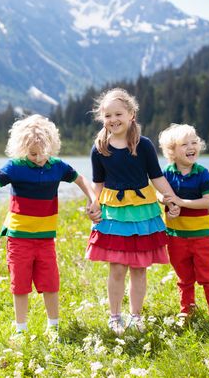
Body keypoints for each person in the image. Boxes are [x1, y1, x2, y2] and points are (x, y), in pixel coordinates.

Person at [0, 114, 97, 339]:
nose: (39, 158)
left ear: (51, 147)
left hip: (45, 238)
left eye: (43, 153)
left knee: (50, 283)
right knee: (20, 284)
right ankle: (20, 331)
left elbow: (81, 180)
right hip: (19, 238)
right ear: (22, 149)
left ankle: (53, 328)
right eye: (33, 154)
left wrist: (93, 198)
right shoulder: (15, 167)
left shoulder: (57, 166)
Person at [85, 88, 178, 335]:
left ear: (131, 115)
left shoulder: (143, 145)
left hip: (142, 211)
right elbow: (98, 184)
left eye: (118, 114)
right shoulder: (99, 148)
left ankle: (136, 316)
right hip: (114, 213)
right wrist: (94, 204)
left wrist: (171, 199)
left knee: (139, 268)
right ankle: (114, 317)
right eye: (107, 116)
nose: (113, 120)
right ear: (102, 118)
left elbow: (156, 177)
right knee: (116, 268)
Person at [158, 123, 209, 323]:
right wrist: (168, 201)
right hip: (176, 235)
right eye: (184, 144)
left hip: (201, 235)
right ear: (172, 151)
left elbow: (208, 201)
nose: (191, 147)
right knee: (184, 276)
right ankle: (187, 309)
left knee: (208, 276)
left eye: (194, 142)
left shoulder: (202, 173)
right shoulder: (167, 173)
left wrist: (181, 202)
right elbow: (158, 193)